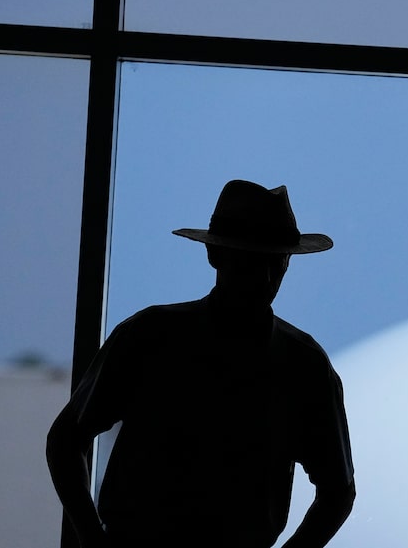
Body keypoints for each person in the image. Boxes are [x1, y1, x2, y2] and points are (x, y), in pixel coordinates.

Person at [46, 180, 355, 548]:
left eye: (276, 262)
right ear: (216, 257)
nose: (268, 277)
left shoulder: (150, 334)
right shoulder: (301, 363)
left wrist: (92, 539)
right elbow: (65, 441)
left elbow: (338, 493)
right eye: (253, 261)